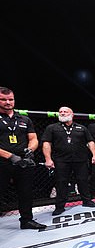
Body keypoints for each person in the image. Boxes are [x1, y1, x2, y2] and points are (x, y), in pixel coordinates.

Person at [0, 87, 46, 229]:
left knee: (25, 192)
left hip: (23, 162)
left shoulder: (24, 119)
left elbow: (33, 138)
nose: (8, 102)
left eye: (10, 99)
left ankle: (26, 220)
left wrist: (30, 150)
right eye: (3, 99)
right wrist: (10, 156)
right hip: (2, 162)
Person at [42, 106, 95, 215]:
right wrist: (48, 159)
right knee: (61, 182)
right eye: (60, 112)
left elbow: (90, 141)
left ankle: (86, 200)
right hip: (61, 160)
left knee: (83, 180)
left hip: (80, 159)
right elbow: (46, 143)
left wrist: (94, 155)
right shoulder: (52, 128)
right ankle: (59, 206)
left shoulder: (81, 128)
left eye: (65, 111)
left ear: (72, 114)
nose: (62, 113)